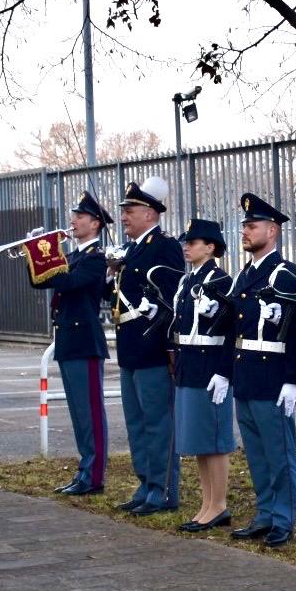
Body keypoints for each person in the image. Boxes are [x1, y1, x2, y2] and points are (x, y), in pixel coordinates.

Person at [228, 193, 296, 549]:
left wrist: (292, 380)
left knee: (279, 451)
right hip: (246, 373)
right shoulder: (246, 273)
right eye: (244, 225)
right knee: (257, 451)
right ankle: (264, 512)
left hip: (273, 374)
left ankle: (283, 517)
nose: (244, 231)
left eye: (252, 225)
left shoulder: (286, 275)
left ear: (272, 230)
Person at [106, 177, 186, 515]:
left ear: (150, 213)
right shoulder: (133, 249)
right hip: (129, 347)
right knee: (136, 422)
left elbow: (171, 299)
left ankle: (164, 488)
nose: (123, 216)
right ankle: (146, 483)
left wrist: (167, 345)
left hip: (152, 346)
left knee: (158, 421)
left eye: (130, 210)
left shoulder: (164, 245)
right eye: (123, 210)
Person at [30, 191, 114, 496]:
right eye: (74, 216)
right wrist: (34, 252)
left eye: (79, 216)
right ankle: (84, 471)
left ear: (94, 223)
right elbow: (40, 280)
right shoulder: (74, 256)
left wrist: (46, 252)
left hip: (85, 342)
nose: (72, 221)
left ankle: (94, 476)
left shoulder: (95, 258)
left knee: (91, 413)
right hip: (68, 340)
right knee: (79, 413)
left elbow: (67, 281)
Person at [171, 218, 237, 531]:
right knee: (198, 440)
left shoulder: (220, 281)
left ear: (210, 247)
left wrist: (224, 371)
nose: (187, 246)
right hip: (189, 364)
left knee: (215, 438)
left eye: (193, 241)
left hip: (210, 365)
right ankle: (207, 502)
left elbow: (231, 332)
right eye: (186, 241)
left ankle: (219, 504)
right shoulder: (189, 281)